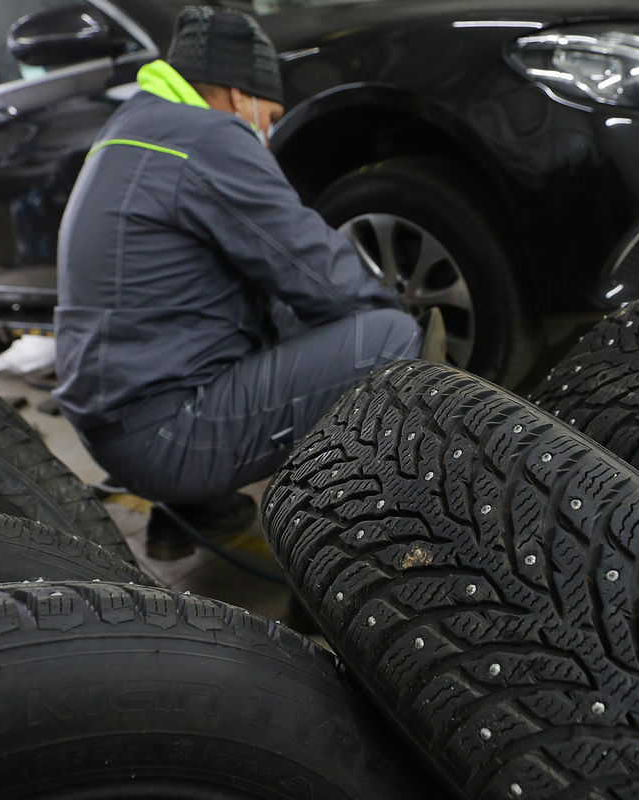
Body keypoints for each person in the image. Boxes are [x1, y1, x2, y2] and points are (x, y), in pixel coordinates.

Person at [55, 6, 435, 559]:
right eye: (270, 113)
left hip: (112, 426)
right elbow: (318, 269)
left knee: (283, 316)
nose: (268, 129)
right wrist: (407, 342)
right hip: (163, 435)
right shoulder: (205, 135)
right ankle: (338, 553)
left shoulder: (133, 129)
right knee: (388, 339)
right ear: (239, 97)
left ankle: (197, 509)